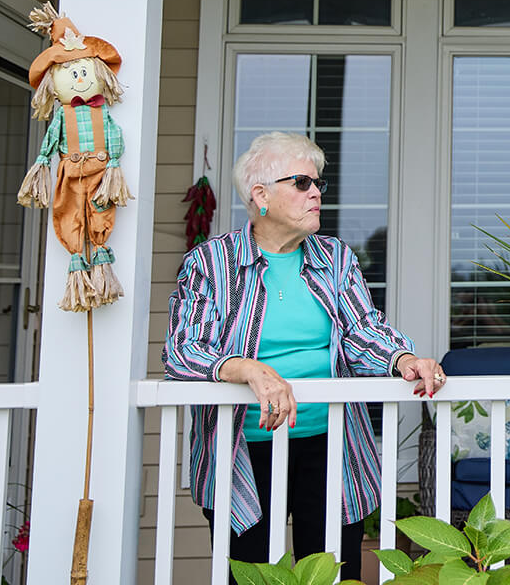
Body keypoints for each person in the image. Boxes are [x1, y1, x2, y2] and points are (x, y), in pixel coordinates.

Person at [164, 131, 445, 580]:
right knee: (250, 575)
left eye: (318, 184)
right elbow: (182, 350)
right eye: (301, 182)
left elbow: (362, 331)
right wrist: (247, 369)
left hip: (332, 444)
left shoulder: (336, 259)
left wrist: (403, 359)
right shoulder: (211, 263)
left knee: (336, 572)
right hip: (244, 451)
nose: (316, 192)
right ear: (261, 195)